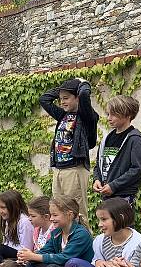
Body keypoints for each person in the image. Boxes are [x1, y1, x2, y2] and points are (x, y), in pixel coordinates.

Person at [40, 77, 99, 219]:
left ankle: (82, 240)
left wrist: (82, 83)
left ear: (77, 98)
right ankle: (64, 241)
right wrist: (62, 89)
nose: (62, 102)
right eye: (60, 99)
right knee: (58, 211)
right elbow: (44, 99)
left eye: (66, 98)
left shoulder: (85, 116)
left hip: (74, 169)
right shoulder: (63, 115)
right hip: (59, 169)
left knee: (76, 211)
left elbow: (85, 94)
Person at [92, 95, 141, 204]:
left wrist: (114, 185)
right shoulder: (106, 139)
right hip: (106, 195)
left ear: (128, 115)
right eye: (108, 114)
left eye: (113, 114)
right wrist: (96, 179)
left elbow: (137, 169)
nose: (109, 118)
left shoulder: (135, 139)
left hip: (124, 196)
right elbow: (99, 164)